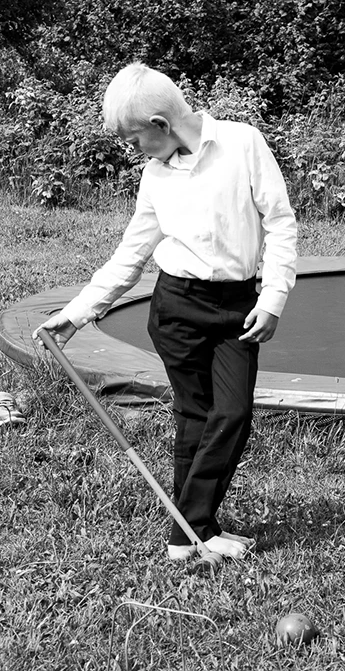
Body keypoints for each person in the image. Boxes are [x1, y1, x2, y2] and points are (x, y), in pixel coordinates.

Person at [36, 63, 299, 559]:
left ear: (160, 123)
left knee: (233, 412)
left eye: (135, 139)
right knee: (195, 415)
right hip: (177, 308)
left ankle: (190, 528)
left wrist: (273, 298)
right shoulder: (156, 176)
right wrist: (75, 314)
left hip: (240, 306)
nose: (135, 152)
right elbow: (131, 255)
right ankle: (195, 533)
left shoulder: (243, 144)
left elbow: (281, 223)